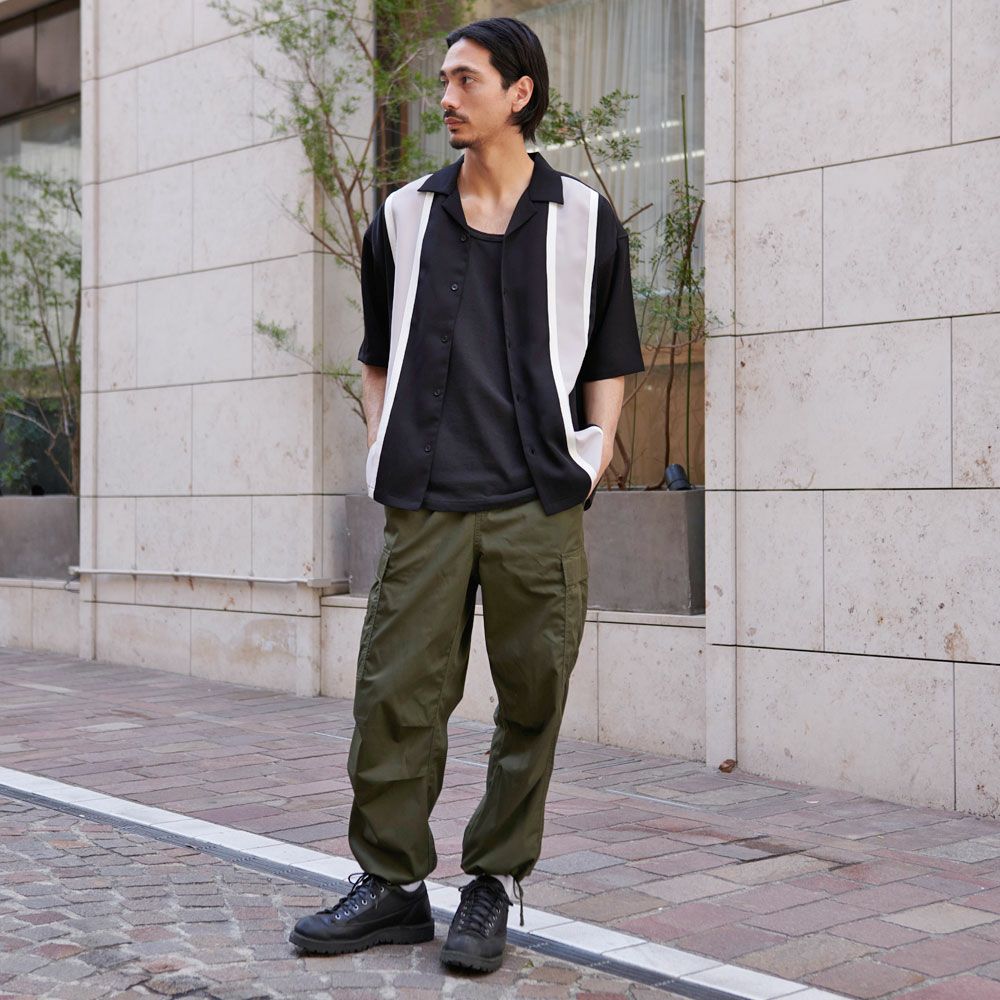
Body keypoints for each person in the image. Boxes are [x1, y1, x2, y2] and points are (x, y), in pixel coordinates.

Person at [289, 15, 644, 974]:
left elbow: (611, 354)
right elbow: (377, 353)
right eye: (443, 79)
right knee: (394, 694)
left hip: (537, 499)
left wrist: (593, 454)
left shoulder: (585, 220)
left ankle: (491, 881)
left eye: (465, 79)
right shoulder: (405, 215)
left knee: (533, 699)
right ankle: (392, 886)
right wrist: (381, 446)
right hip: (429, 500)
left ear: (519, 93)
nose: (445, 97)